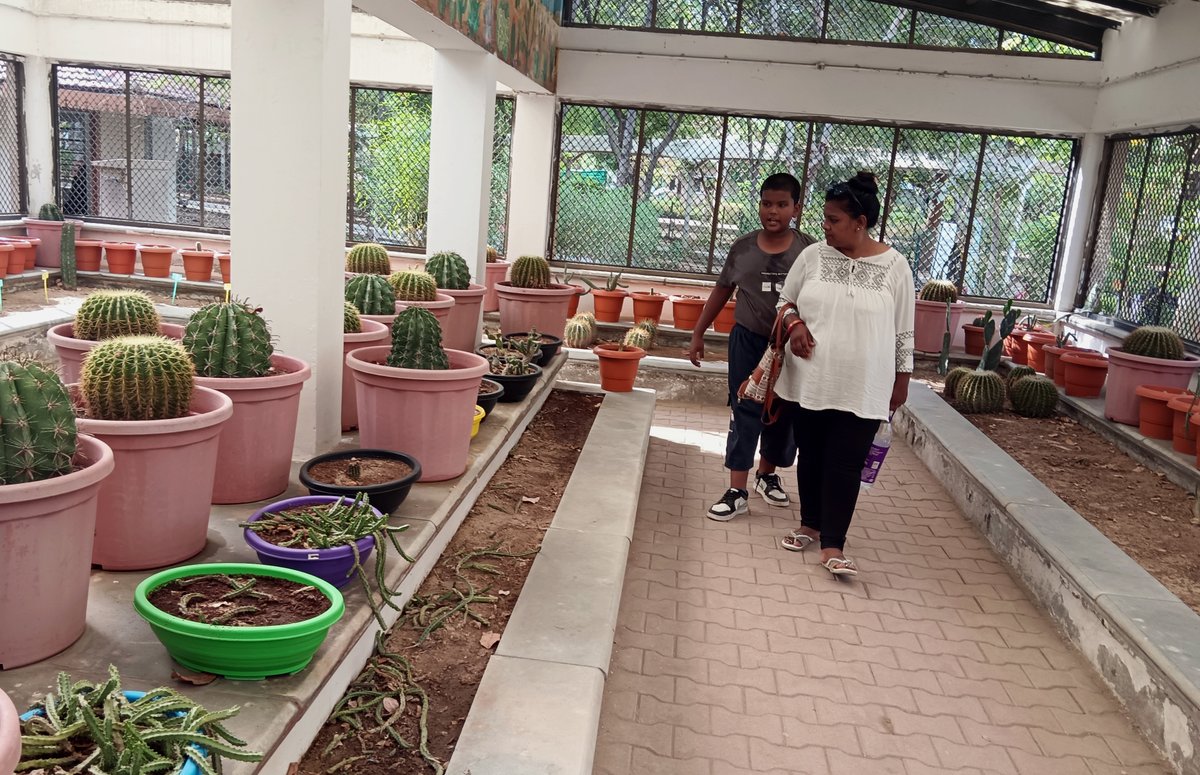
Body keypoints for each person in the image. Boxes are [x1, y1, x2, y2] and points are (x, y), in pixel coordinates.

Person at [773, 171, 914, 576]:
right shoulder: (813, 255)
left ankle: (833, 545)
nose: (825, 227)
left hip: (866, 384)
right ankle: (809, 525)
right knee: (812, 455)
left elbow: (904, 329)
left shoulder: (895, 266)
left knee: (846, 463)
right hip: (812, 378)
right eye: (825, 219)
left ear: (860, 222)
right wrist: (796, 325)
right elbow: (785, 302)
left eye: (833, 220)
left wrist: (900, 381)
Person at [686, 172, 817, 521]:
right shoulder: (742, 248)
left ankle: (767, 474)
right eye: (766, 203)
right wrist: (698, 333)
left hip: (790, 345)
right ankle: (737, 489)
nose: (772, 211)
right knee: (744, 409)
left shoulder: (809, 251)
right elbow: (721, 290)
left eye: (781, 204)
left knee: (782, 412)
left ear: (796, 208)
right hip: (747, 341)